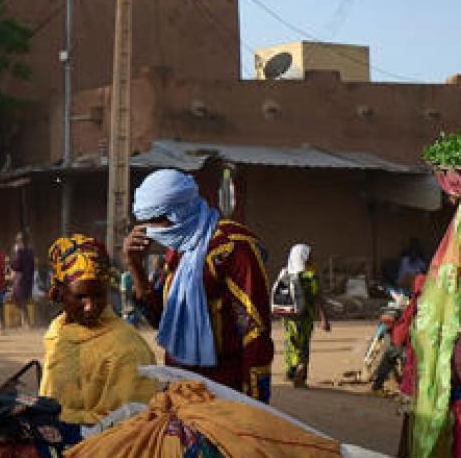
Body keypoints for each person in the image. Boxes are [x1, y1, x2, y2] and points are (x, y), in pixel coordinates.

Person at [124, 169, 275, 402]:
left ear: (179, 213)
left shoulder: (232, 248)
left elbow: (255, 331)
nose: (151, 232)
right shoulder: (179, 250)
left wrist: (253, 402)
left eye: (156, 222)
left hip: (224, 390)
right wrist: (135, 266)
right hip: (181, 387)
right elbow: (161, 320)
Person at [41, 235, 158, 425]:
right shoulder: (58, 331)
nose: (90, 306)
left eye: (99, 295)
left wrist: (57, 418)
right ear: (60, 292)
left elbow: (132, 421)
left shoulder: (127, 349)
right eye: (80, 297)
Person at [278, 244, 331, 388]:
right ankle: (300, 372)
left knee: (291, 342)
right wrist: (324, 318)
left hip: (289, 316)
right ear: (304, 257)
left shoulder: (285, 273)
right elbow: (318, 297)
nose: (312, 258)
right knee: (304, 344)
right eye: (309, 255)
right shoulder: (310, 275)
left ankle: (292, 369)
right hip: (305, 316)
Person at [9, 232, 36, 329]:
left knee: (19, 299)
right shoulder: (30, 252)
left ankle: (26, 322)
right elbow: (32, 266)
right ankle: (24, 321)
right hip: (28, 278)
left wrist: (11, 261)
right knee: (21, 300)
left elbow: (16, 265)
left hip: (20, 279)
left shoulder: (20, 252)